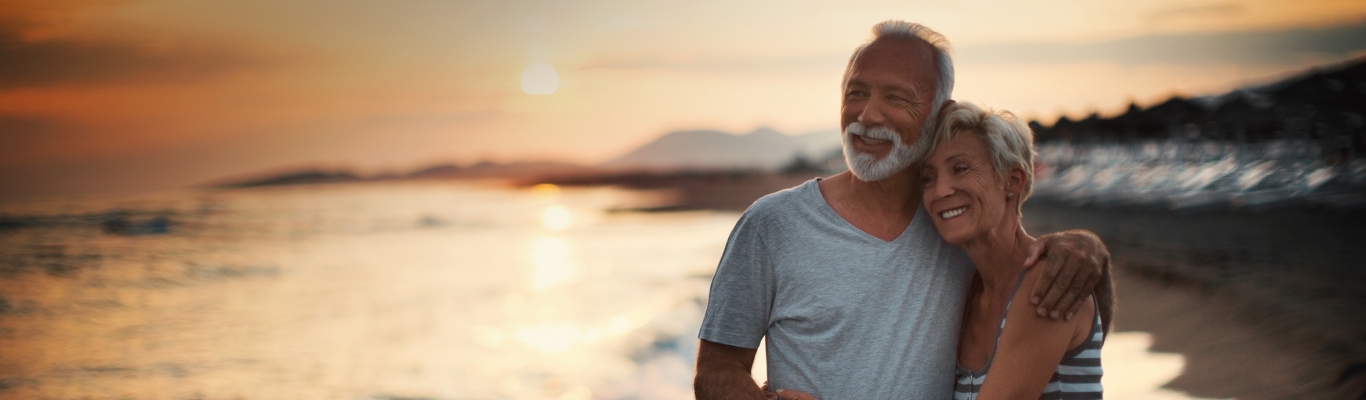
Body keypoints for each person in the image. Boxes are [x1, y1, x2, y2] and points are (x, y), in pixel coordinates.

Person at [693, 21, 1112, 399]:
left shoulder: (955, 226)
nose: (868, 114)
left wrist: (1090, 250)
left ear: (939, 112)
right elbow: (716, 371)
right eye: (856, 93)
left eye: (896, 97)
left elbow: (1070, 322)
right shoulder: (772, 224)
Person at [772, 103, 1117, 399]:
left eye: (961, 168)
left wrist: (1090, 243)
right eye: (928, 178)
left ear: (1012, 180)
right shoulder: (966, 294)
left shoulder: (1049, 280)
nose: (941, 191)